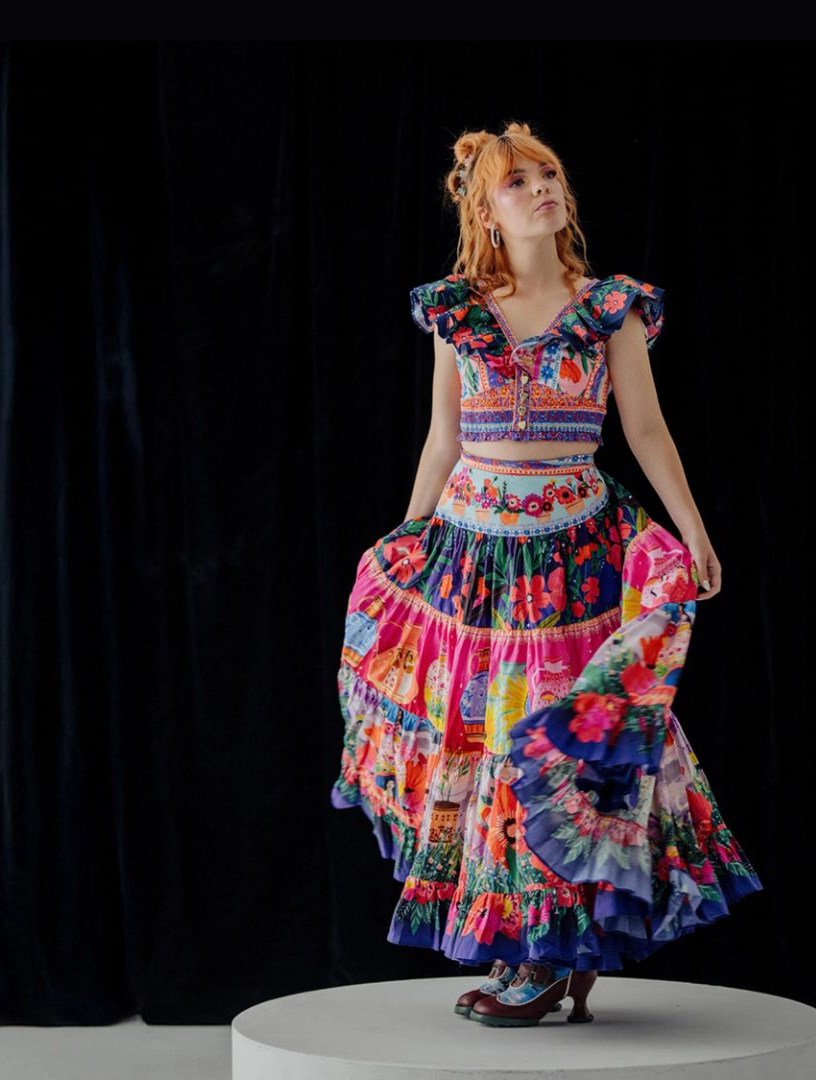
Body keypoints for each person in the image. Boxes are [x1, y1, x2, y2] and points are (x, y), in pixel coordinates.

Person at [330, 121, 763, 1028]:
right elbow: (444, 440)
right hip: (477, 564)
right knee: (491, 738)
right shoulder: (454, 310)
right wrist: (411, 542)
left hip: (575, 557)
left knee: (557, 740)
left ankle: (553, 948)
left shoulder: (609, 306)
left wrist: (693, 532)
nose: (542, 188)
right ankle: (534, 949)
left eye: (551, 175)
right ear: (486, 210)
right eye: (519, 181)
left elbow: (645, 430)